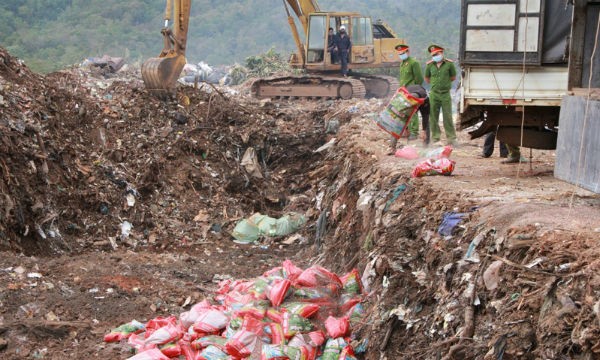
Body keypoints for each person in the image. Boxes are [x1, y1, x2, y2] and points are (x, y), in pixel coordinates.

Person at [424, 44, 458, 146]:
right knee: (434, 117)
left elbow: (453, 77)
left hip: (445, 94)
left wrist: (444, 84)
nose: (435, 56)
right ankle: (436, 139)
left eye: (437, 54)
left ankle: (451, 139)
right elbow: (427, 78)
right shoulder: (430, 65)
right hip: (434, 95)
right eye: (433, 55)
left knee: (448, 116)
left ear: (442, 53)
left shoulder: (449, 64)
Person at [395, 44, 424, 142]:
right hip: (404, 91)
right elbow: (402, 78)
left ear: (408, 52)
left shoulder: (414, 63)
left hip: (412, 91)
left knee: (412, 112)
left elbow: (419, 79)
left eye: (403, 53)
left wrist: (415, 90)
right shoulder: (402, 63)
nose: (401, 55)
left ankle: (414, 132)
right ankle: (406, 131)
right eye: (400, 53)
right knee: (403, 111)